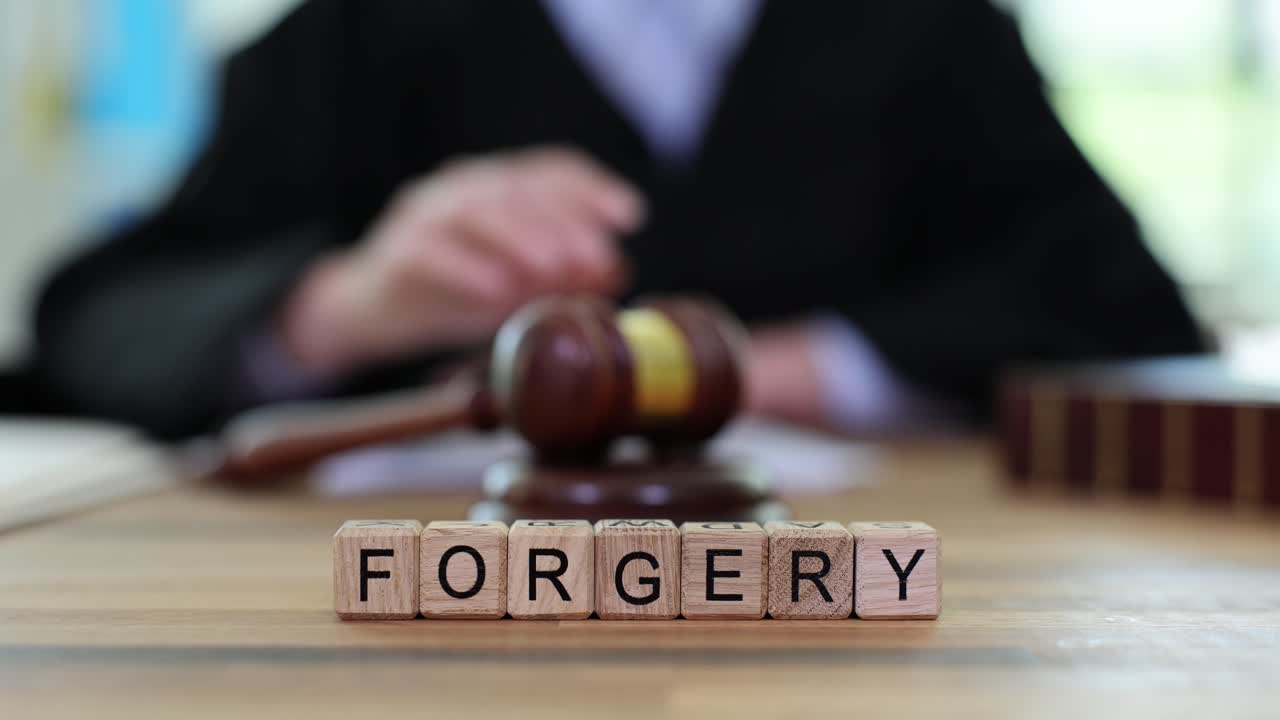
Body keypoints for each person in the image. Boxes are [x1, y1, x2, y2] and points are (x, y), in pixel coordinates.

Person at [33, 0, 1204, 440]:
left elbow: (1123, 307)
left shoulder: (929, 33)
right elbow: (98, 318)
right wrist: (342, 305)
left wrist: (781, 369)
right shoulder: (358, 32)